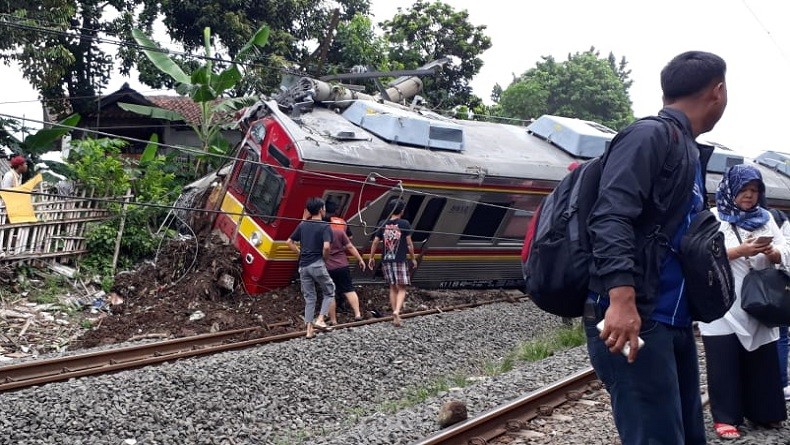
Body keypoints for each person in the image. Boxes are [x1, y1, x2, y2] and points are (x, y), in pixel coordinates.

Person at [585, 51, 728, 444]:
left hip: (672, 321)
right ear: (718, 92)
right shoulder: (650, 135)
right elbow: (610, 215)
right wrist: (621, 299)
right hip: (637, 316)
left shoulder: (686, 148)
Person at [697, 165, 789, 439]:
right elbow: (701, 255)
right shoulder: (713, 218)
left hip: (761, 300)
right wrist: (740, 251)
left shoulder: (766, 219)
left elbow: (786, 250)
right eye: (743, 190)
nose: (749, 196)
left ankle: (765, 412)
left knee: (762, 360)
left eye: (754, 190)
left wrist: (773, 253)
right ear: (730, 190)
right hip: (723, 304)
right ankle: (726, 417)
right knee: (724, 360)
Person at [286, 197, 336, 339]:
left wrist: (300, 254)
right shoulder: (325, 226)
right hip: (317, 264)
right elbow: (326, 246)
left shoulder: (303, 225)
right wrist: (325, 258)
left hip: (303, 266)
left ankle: (309, 331)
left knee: (310, 298)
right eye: (324, 208)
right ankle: (320, 320)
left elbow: (289, 242)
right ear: (321, 210)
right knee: (330, 291)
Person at [367, 199, 417, 327]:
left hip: (386, 260)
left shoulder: (383, 223)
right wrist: (413, 258)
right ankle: (397, 311)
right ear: (402, 211)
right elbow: (409, 244)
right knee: (402, 288)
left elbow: (375, 241)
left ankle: (395, 318)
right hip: (400, 259)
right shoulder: (404, 223)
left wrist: (371, 257)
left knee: (392, 287)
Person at [323, 200, 366, 323]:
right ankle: (357, 314)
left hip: (327, 267)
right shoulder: (340, 229)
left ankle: (333, 320)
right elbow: (350, 245)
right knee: (349, 289)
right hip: (342, 264)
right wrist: (360, 259)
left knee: (330, 293)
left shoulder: (320, 232)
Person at [766, 206, 790, 401]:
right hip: (781, 286)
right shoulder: (781, 222)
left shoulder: (763, 218)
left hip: (761, 285)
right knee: (781, 336)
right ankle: (781, 382)